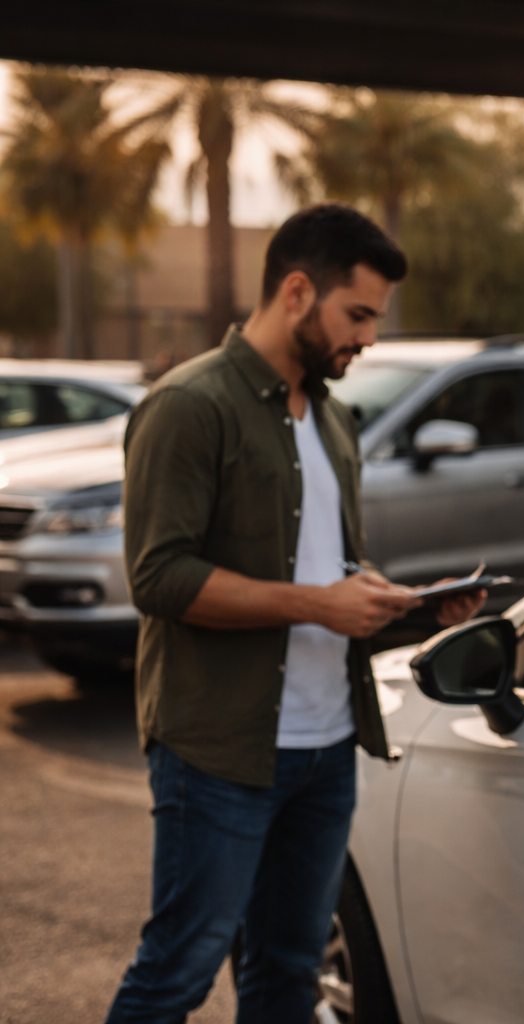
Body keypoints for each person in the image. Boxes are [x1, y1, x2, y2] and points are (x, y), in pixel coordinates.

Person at [106, 203, 486, 1023]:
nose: (369, 338)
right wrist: (321, 602)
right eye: (358, 315)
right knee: (177, 971)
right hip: (219, 752)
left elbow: (330, 568)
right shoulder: (188, 405)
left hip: (326, 749)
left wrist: (405, 604)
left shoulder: (336, 419)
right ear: (297, 292)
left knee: (289, 974)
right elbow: (159, 577)